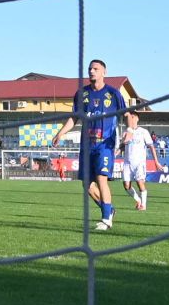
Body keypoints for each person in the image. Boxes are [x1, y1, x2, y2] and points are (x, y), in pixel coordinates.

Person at [51, 59, 126, 231]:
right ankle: (109, 210)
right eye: (90, 68)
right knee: (87, 185)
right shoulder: (81, 94)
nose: (92, 71)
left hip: (105, 144)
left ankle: (106, 220)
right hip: (86, 146)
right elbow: (74, 117)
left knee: (101, 179)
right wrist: (61, 133)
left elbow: (127, 114)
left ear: (104, 72)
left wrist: (129, 131)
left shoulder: (113, 93)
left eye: (96, 69)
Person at [119, 111, 165, 211]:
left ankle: (143, 205)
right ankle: (138, 200)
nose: (131, 119)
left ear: (137, 119)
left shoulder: (143, 132)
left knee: (140, 183)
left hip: (139, 162)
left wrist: (156, 162)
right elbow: (122, 147)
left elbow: (151, 147)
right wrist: (120, 147)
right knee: (126, 185)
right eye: (129, 117)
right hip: (127, 162)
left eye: (133, 117)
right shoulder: (126, 132)